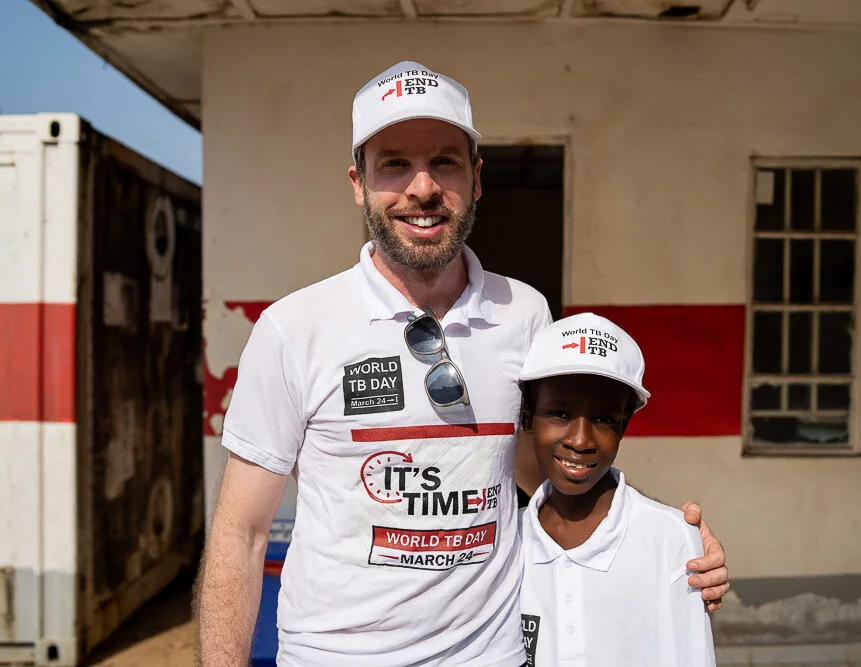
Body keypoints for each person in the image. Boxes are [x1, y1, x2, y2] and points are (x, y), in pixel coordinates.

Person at [194, 60, 729, 667]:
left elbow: (537, 472)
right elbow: (240, 535)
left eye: (444, 161)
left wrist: (665, 540)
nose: (422, 188)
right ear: (357, 182)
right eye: (394, 162)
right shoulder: (294, 329)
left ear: (476, 178)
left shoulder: (525, 314)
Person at [517, 312, 715, 666]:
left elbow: (692, 655)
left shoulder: (670, 539)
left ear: (624, 426)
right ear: (528, 417)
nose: (580, 440)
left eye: (603, 419)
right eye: (559, 414)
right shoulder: (504, 543)